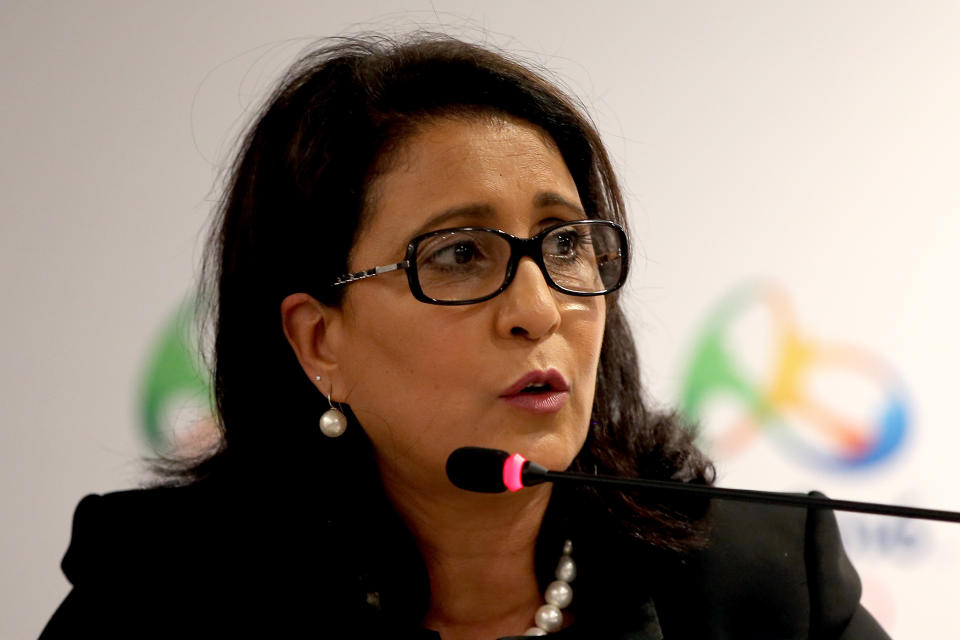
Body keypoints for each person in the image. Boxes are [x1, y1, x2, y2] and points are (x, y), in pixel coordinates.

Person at [40, 34, 890, 639]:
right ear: (319, 342)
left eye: (566, 243)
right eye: (456, 255)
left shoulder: (765, 583)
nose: (539, 309)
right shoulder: (158, 596)